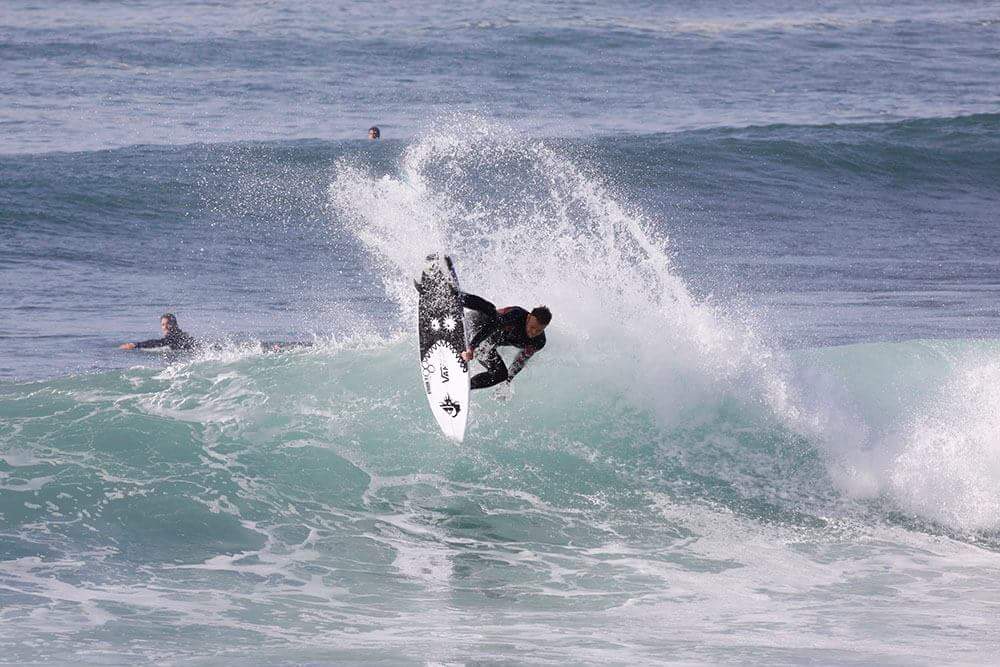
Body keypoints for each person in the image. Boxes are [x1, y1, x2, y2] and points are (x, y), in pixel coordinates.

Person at [460, 293, 551, 390]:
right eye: (532, 327)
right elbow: (490, 328)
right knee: (491, 310)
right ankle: (458, 297)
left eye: (539, 330)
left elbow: (520, 361)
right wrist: (471, 348)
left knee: (501, 375)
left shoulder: (538, 342)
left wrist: (508, 380)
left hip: (485, 345)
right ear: (528, 317)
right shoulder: (515, 315)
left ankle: (464, 387)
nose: (534, 332)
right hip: (475, 324)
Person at [119, 313, 196, 351]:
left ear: (175, 324)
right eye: (163, 325)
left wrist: (136, 345)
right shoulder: (178, 335)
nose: (165, 327)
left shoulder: (175, 336)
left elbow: (159, 342)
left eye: (168, 324)